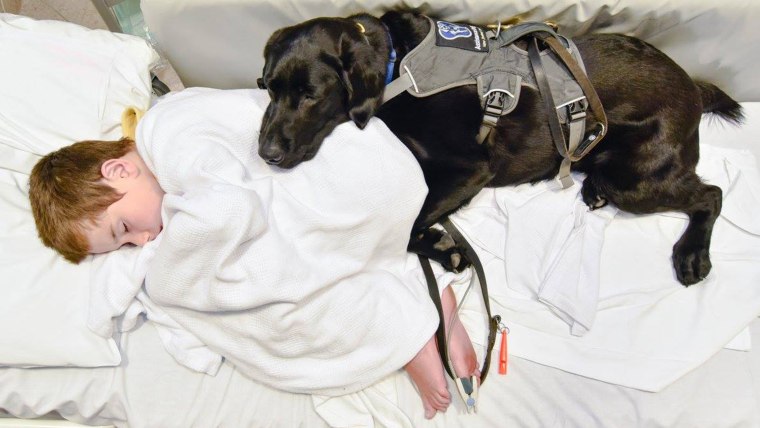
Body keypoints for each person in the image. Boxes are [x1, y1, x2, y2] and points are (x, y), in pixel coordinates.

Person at [28, 88, 480, 419]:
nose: (142, 242)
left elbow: (227, 208)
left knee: (258, 299)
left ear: (119, 169)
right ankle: (421, 303)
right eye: (125, 245)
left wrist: (164, 281)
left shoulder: (166, 133)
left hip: (360, 171)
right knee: (273, 285)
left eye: (124, 229)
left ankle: (405, 330)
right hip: (379, 195)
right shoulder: (162, 175)